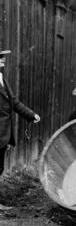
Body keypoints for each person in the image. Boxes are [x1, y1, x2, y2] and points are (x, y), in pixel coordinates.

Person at [0, 49, 41, 177]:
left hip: (2, 135)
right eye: (0, 56)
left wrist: (30, 114)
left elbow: (13, 101)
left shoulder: (1, 78)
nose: (3, 59)